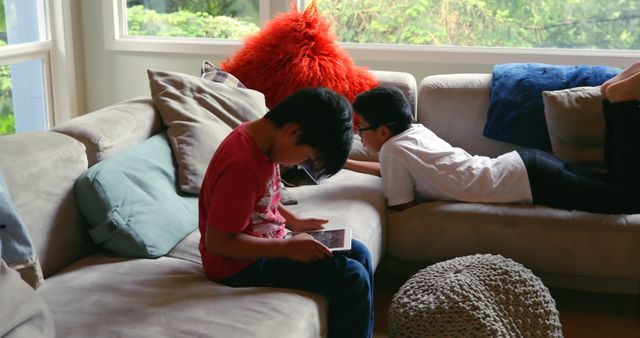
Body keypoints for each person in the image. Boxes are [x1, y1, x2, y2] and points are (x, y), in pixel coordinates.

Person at [346, 62, 640, 215]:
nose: (361, 135)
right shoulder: (414, 134)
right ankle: (612, 96)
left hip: (529, 181)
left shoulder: (392, 151)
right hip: (527, 166)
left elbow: (402, 206)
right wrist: (347, 163)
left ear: (383, 132)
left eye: (363, 128)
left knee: (628, 199)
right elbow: (392, 171)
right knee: (617, 183)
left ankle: (620, 100)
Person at [198, 87, 374, 338]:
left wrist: (294, 222)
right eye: (306, 157)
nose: (300, 164)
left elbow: (261, 196)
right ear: (293, 132)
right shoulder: (241, 166)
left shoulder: (261, 142)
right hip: (238, 265)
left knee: (359, 252)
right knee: (350, 276)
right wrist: (287, 248)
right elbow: (218, 242)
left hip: (269, 243)